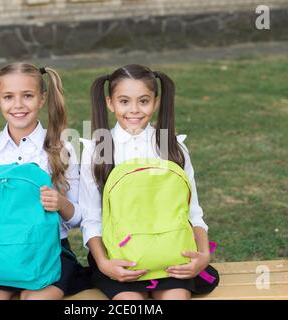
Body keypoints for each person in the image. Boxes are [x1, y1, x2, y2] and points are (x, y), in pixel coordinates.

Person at [79, 64, 219, 300]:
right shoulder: (97, 150)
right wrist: (104, 264)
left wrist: (203, 254)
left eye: (143, 101)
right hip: (120, 257)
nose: (134, 110)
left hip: (170, 255)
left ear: (155, 102)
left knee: (176, 296)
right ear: (110, 103)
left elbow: (192, 211)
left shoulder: (172, 147)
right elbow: (91, 217)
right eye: (124, 101)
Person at [0, 62, 91, 300]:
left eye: (28, 96)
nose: (18, 105)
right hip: (1, 251)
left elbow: (78, 217)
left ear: (42, 99)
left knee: (35, 297)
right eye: (9, 97)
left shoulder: (61, 148)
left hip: (49, 251)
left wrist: (60, 203)